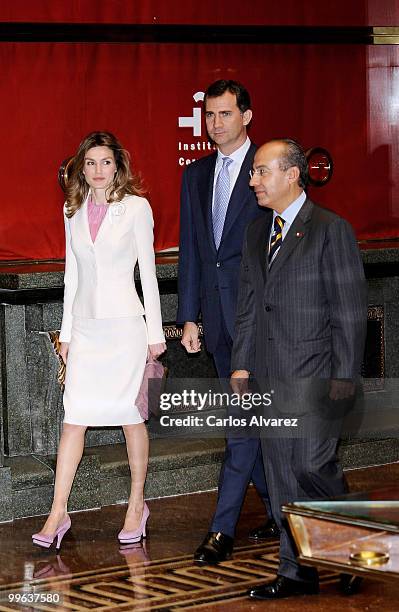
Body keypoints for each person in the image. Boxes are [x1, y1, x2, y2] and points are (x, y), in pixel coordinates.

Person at [231, 138, 367, 599]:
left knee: (312, 464)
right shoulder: (255, 233)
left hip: (317, 376)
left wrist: (345, 379)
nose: (253, 181)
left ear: (292, 174)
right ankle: (296, 570)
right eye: (252, 172)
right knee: (283, 473)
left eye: (262, 171)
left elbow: (349, 312)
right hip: (269, 378)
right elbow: (249, 306)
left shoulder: (332, 230)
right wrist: (241, 367)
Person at [32, 131, 166, 550]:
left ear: (118, 165)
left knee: (131, 417)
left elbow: (148, 272)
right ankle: (58, 511)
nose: (97, 171)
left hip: (126, 326)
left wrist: (155, 334)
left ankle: (137, 503)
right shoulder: (71, 209)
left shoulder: (137, 208)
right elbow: (72, 277)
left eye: (105, 162)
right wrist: (68, 335)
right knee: (74, 418)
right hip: (87, 330)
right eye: (90, 163)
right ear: (80, 168)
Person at [177, 80, 278, 566]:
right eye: (210, 115)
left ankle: (222, 530)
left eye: (225, 114)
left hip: (259, 321)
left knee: (240, 425)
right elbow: (195, 253)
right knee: (249, 422)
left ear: (247, 116)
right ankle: (282, 513)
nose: (216, 123)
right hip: (215, 322)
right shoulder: (195, 175)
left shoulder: (269, 169)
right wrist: (189, 318)